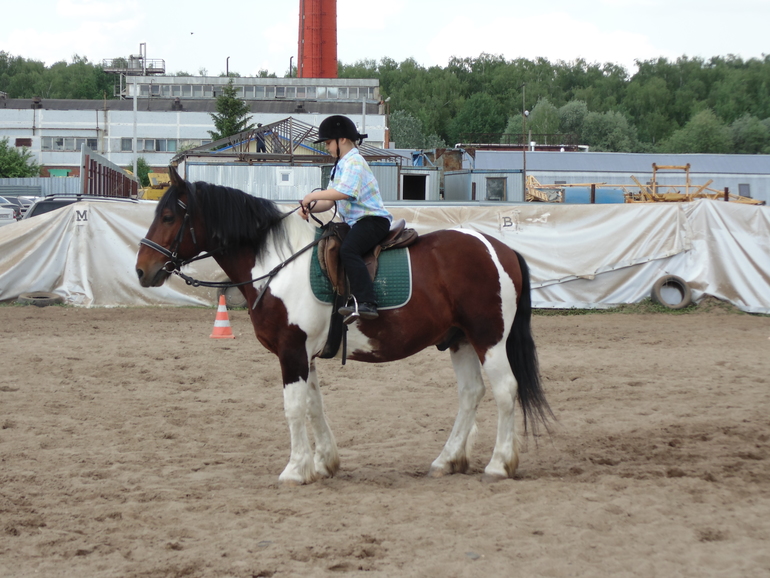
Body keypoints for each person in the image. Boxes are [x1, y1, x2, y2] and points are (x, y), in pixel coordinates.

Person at [300, 115, 392, 322]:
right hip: (357, 222)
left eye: (328, 143)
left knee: (349, 250)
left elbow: (345, 192)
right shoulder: (340, 165)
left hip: (372, 221)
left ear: (342, 139)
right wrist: (310, 206)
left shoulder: (355, 162)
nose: (326, 147)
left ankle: (367, 302)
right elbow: (330, 201)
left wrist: (312, 196)